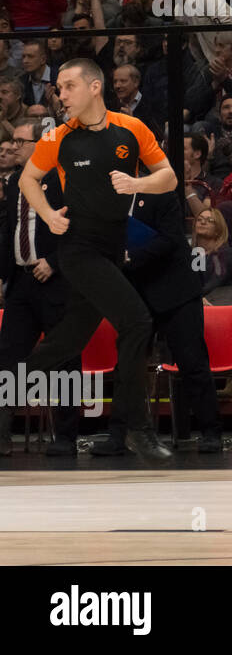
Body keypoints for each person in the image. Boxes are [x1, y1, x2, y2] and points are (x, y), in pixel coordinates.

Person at [8, 59, 177, 460]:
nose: (61, 95)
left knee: (70, 339)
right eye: (60, 88)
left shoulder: (131, 129)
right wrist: (49, 215)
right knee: (136, 321)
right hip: (79, 248)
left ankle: (7, 386)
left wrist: (138, 184)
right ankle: (137, 428)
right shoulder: (59, 138)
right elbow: (27, 179)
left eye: (68, 87)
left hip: (111, 247)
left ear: (95, 87)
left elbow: (167, 177)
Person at [93, 188, 222, 455]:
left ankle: (211, 432)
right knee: (127, 365)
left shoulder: (159, 194)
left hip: (175, 292)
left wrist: (130, 256)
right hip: (135, 295)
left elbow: (171, 238)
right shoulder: (103, 200)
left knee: (192, 362)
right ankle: (118, 435)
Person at [0, 119, 79, 455]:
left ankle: (66, 437)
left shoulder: (63, 178)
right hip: (21, 281)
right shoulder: (17, 180)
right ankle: (2, 434)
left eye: (20, 141)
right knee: (7, 359)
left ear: (40, 144)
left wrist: (55, 260)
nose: (14, 147)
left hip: (56, 281)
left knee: (65, 359)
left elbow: (82, 227)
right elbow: (9, 228)